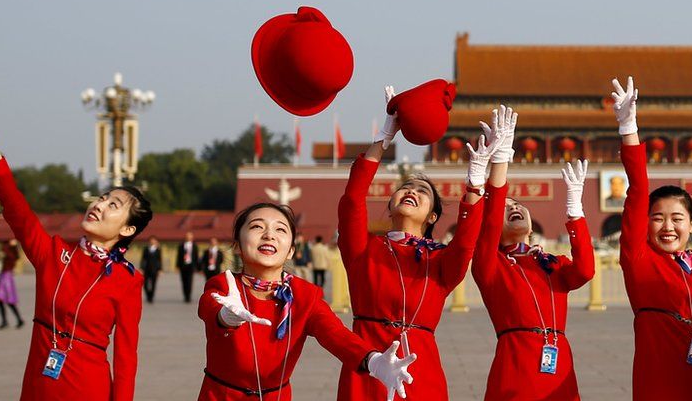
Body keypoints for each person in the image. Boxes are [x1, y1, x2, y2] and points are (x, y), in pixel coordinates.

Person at [0, 80, 152, 401]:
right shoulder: (53, 252)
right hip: (38, 384)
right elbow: (12, 201)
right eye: (101, 197)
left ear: (127, 230)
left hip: (89, 387)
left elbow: (126, 359)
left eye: (113, 205)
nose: (99, 205)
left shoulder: (128, 280)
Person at [335, 87, 507, 401]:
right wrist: (385, 136)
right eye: (405, 188)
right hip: (367, 366)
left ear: (431, 217)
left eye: (423, 192)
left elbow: (467, 241)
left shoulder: (441, 261)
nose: (412, 191)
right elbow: (351, 200)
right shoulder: (363, 249)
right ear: (389, 205)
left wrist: (476, 181)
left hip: (421, 369)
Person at [198, 202, 415, 400]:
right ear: (237, 245)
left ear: (291, 250)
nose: (269, 235)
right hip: (221, 396)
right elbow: (209, 306)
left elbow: (336, 335)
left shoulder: (304, 295)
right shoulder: (225, 285)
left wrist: (374, 361)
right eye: (257, 227)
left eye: (280, 230)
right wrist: (225, 316)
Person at [613, 77, 692, 400]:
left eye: (677, 219)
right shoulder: (639, 259)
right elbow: (638, 191)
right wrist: (629, 128)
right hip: (662, 380)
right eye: (658, 218)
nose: (668, 226)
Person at [472, 105, 595, 400]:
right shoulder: (490, 265)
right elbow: (487, 221)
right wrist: (500, 158)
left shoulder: (554, 264)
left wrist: (575, 210)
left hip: (558, 364)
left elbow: (585, 271)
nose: (513, 207)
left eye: (518, 205)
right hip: (515, 366)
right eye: (505, 206)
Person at [0, 239, 25, 329]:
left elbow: (14, 256)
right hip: (5, 275)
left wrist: (13, 246)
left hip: (6, 276)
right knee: (5, 300)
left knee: (4, 300)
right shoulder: (8, 248)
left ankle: (8, 321)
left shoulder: (10, 250)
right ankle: (17, 320)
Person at [176, 231, 201, 303]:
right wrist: (177, 266)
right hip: (183, 265)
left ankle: (189, 296)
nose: (188, 237)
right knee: (183, 281)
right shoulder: (181, 246)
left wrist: (198, 268)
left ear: (192, 237)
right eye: (187, 236)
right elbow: (178, 257)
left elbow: (196, 257)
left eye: (190, 236)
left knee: (190, 281)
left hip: (191, 265)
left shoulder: (194, 246)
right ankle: (185, 295)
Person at [140, 236, 163, 304]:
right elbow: (143, 259)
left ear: (156, 241)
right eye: (151, 240)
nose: (152, 242)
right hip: (146, 269)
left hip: (154, 269)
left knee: (153, 284)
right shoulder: (146, 249)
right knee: (145, 284)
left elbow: (159, 260)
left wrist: (160, 269)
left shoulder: (158, 250)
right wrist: (142, 268)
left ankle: (151, 297)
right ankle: (148, 295)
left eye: (154, 240)